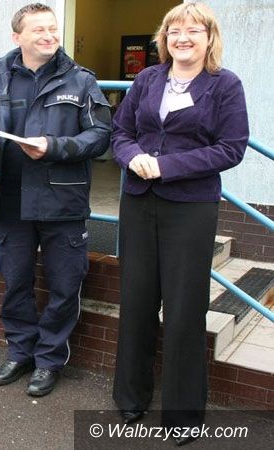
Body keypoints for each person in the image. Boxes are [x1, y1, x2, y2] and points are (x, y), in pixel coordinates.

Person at [111, 3, 248, 444]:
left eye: (193, 31)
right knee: (136, 300)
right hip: (139, 202)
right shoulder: (147, 79)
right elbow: (120, 132)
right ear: (164, 38)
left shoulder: (225, 84)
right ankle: (130, 398)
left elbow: (231, 147)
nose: (182, 38)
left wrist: (166, 166)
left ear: (209, 38)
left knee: (185, 309)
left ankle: (183, 415)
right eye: (174, 31)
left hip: (190, 208)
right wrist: (134, 157)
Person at [0, 3, 111, 395]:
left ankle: (48, 361)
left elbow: (100, 136)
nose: (49, 36)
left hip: (62, 201)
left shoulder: (81, 80)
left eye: (52, 28)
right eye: (38, 30)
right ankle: (19, 352)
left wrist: (54, 146)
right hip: (11, 199)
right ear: (18, 37)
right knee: (15, 281)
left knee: (64, 284)